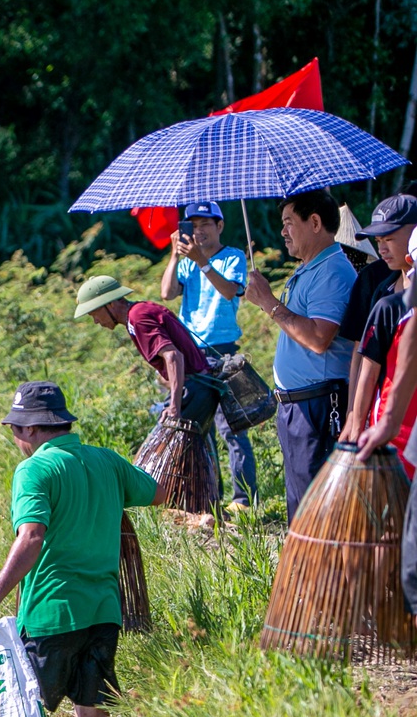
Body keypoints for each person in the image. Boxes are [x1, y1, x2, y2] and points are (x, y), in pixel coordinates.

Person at [0, 383, 161, 717]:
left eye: (16, 430)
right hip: (104, 609)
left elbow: (32, 536)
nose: (16, 440)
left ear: (33, 430)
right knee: (93, 709)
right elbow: (157, 493)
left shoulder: (35, 469)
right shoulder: (106, 461)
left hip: (52, 613)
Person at [245, 190, 359, 519]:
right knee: (302, 504)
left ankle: (327, 571)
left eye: (288, 223)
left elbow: (319, 337)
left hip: (319, 405)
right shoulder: (309, 269)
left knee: (319, 509)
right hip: (299, 406)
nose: (283, 232)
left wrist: (269, 302)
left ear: (315, 222)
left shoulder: (332, 272)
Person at [160, 201, 256, 508]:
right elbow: (167, 293)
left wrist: (202, 261)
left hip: (223, 353)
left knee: (233, 430)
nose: (198, 231)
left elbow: (230, 291)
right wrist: (175, 256)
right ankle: (208, 497)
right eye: (192, 225)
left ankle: (243, 499)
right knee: (199, 431)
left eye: (205, 225)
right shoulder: (187, 260)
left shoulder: (233, 257)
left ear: (220, 226)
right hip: (192, 355)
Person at [74, 274, 225, 431]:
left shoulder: (137, 318)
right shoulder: (138, 312)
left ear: (110, 304)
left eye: (94, 314)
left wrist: (174, 406)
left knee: (160, 451)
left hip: (194, 389)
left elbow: (173, 355)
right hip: (197, 387)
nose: (96, 321)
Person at [341, 197, 417, 460]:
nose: (382, 248)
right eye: (378, 241)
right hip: (390, 424)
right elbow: (364, 363)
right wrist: (354, 418)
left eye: (389, 238)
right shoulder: (383, 297)